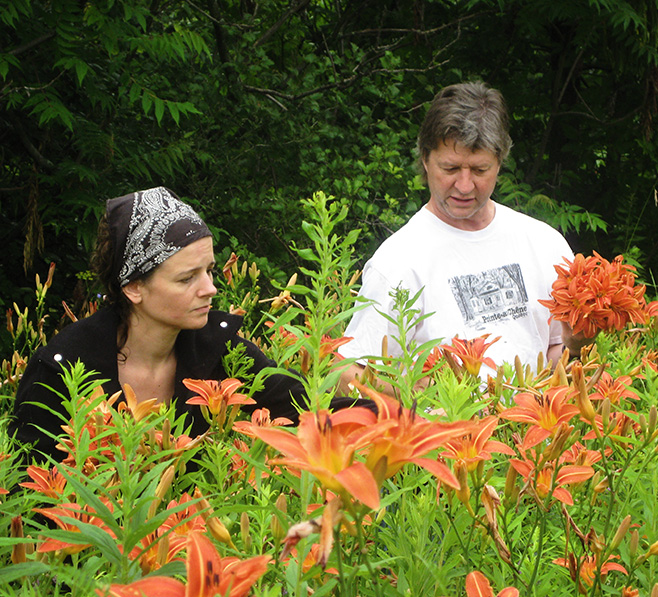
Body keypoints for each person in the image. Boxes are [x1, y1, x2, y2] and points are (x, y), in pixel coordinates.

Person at [11, 187, 313, 461]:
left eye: (209, 271)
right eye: (187, 278)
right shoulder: (58, 370)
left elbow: (308, 409)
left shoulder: (221, 350)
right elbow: (25, 489)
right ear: (134, 288)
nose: (210, 289)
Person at [338, 81, 585, 389]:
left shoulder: (544, 243)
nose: (465, 186)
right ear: (426, 159)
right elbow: (348, 373)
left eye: (480, 170)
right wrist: (427, 402)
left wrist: (575, 348)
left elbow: (553, 349)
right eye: (451, 168)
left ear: (499, 162)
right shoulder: (398, 262)